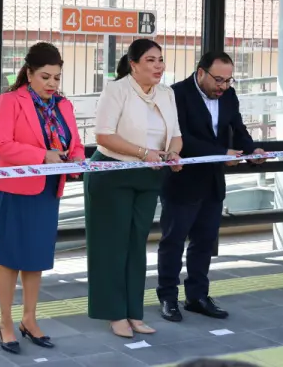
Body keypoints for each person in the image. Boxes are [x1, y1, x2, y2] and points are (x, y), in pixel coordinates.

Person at [0, 42, 84, 355]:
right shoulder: (8, 101)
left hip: (47, 190)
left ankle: (29, 318)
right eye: (45, 77)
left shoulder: (63, 106)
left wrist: (76, 162)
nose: (52, 84)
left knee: (35, 259)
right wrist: (44, 156)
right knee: (9, 259)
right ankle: (5, 322)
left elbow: (76, 143)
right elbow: (1, 146)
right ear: (29, 73)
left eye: (56, 78)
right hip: (13, 191)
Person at [85, 38, 183, 339]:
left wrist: (173, 154)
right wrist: (143, 152)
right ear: (134, 64)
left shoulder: (166, 93)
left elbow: (176, 135)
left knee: (136, 246)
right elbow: (103, 136)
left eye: (161, 60)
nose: (158, 66)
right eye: (151, 60)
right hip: (113, 173)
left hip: (149, 176)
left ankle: (133, 313)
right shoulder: (117, 90)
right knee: (111, 247)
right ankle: (114, 313)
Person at [158, 52, 265, 323]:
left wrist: (252, 150)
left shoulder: (228, 96)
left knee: (204, 242)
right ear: (201, 72)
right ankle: (168, 297)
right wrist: (221, 152)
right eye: (218, 80)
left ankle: (197, 296)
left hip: (213, 181)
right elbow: (180, 137)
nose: (223, 86)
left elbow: (237, 128)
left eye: (228, 81)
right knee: (173, 242)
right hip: (182, 180)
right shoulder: (176, 94)